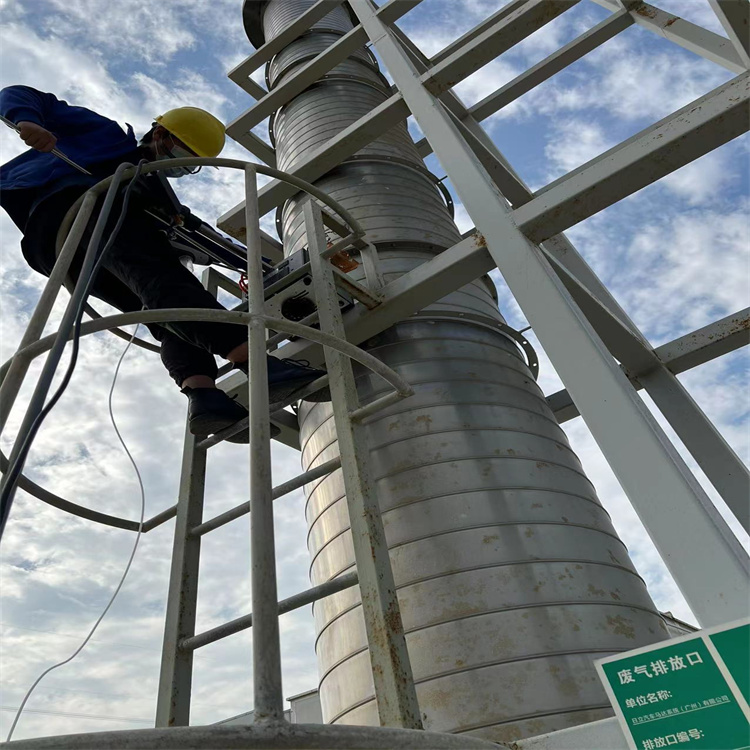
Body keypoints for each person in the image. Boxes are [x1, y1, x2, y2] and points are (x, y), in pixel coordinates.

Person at [0, 85, 329, 443]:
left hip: (61, 253)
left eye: (190, 168)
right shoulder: (108, 138)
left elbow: (196, 234)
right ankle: (258, 366)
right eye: (183, 156)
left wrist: (262, 265)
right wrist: (27, 122)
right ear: (159, 134)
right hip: (78, 206)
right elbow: (21, 94)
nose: (181, 169)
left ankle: (203, 396)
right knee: (166, 283)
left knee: (162, 314)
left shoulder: (154, 192)